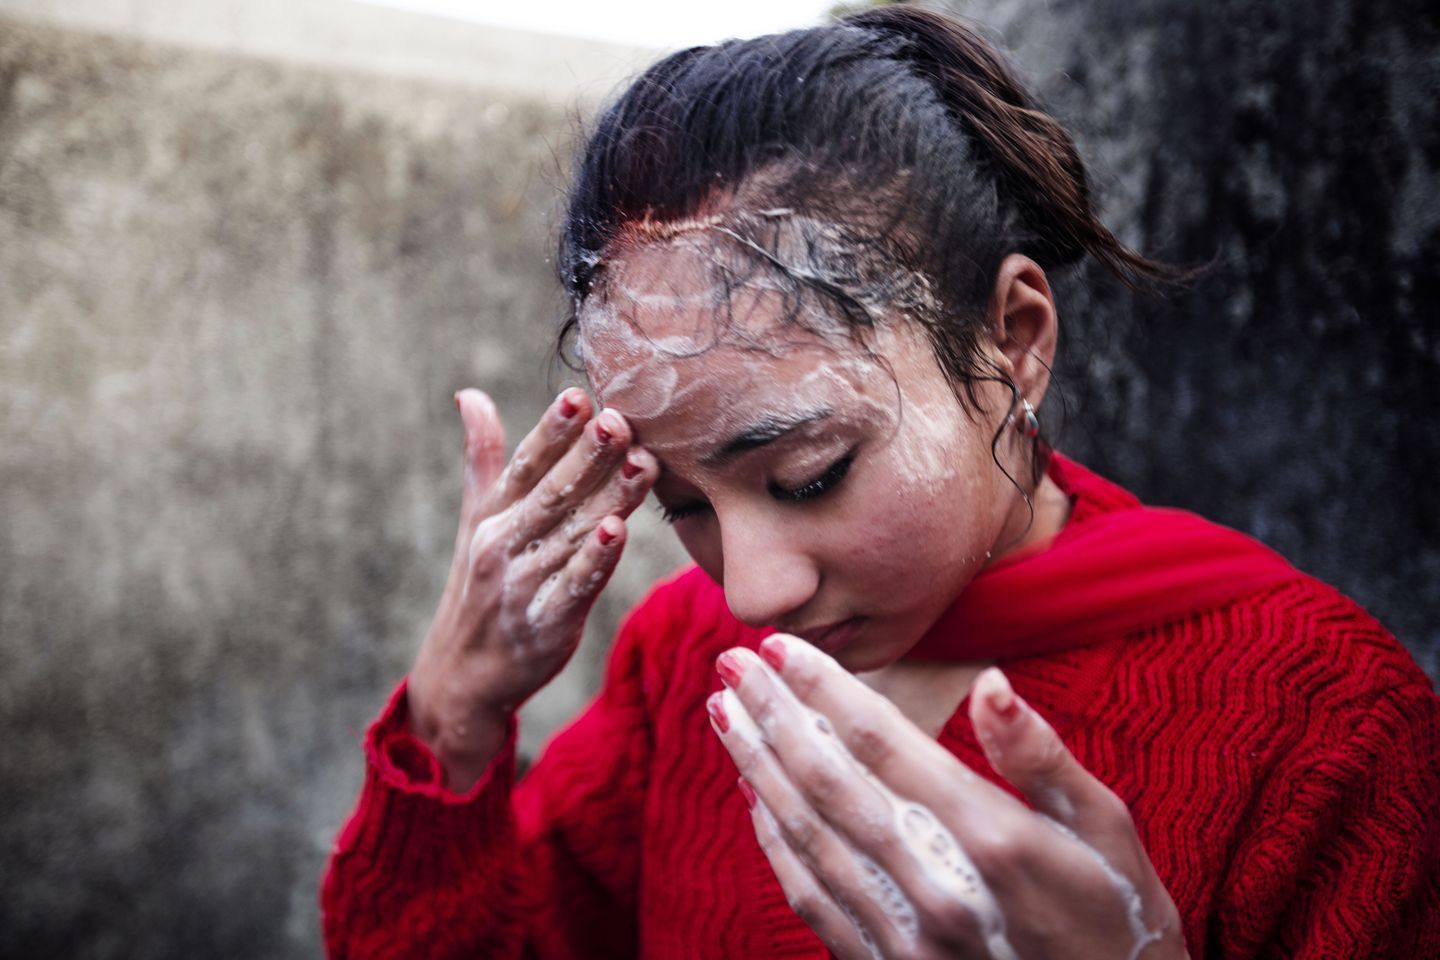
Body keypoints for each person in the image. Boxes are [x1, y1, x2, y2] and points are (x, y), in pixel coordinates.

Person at [320, 7, 1440, 958]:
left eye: (808, 476)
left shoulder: (1326, 732)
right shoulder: (686, 666)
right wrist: (458, 711)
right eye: (687, 507)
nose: (753, 596)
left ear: (1013, 339)